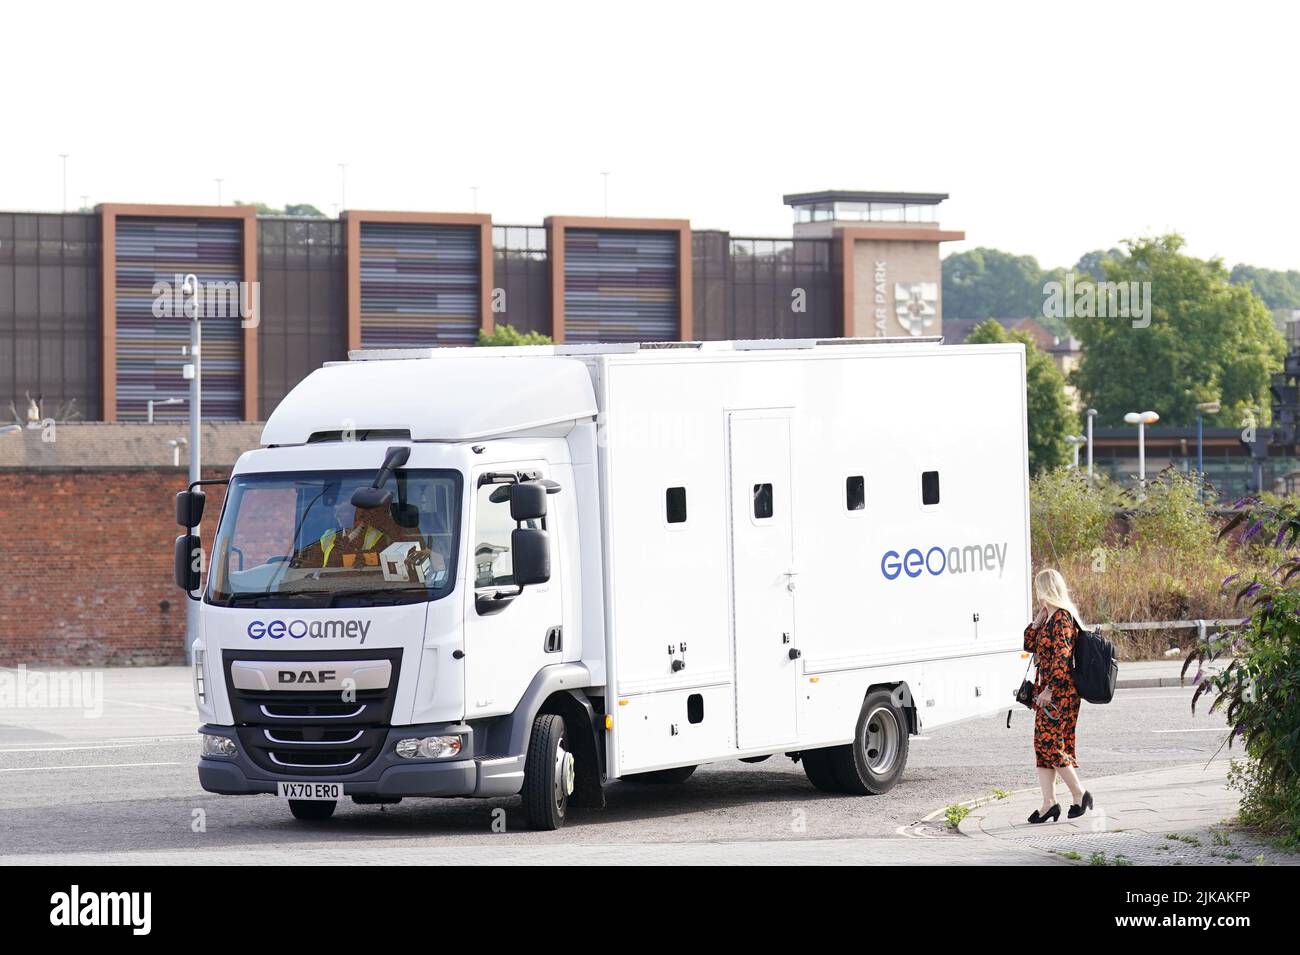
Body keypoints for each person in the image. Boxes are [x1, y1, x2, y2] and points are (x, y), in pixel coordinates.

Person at [1022, 568, 1094, 824]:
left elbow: (1062, 659)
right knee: (1042, 747)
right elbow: (1028, 644)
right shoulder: (1050, 617)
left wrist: (1049, 690)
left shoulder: (1063, 618)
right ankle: (1049, 803)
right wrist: (1038, 620)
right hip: (1049, 691)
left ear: (1044, 588)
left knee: (1052, 745)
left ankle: (1080, 793)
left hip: (1059, 693)